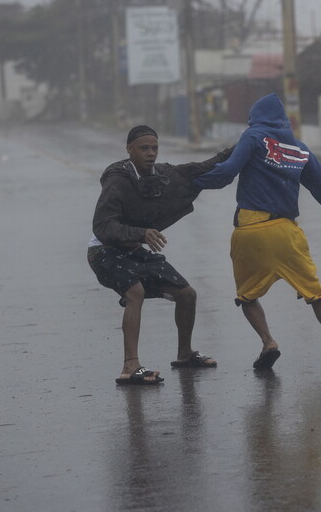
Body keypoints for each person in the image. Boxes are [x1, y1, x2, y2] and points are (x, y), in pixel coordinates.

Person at [194, 93, 321, 370]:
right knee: (316, 294)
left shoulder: (252, 137)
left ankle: (268, 341)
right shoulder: (299, 149)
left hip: (249, 230)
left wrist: (193, 181)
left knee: (247, 296)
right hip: (285, 232)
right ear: (284, 120)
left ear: (254, 118)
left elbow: (227, 173)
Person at [88, 125, 234, 385]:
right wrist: (141, 233)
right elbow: (102, 225)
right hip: (104, 251)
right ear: (129, 150)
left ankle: (184, 354)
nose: (150, 153)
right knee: (135, 292)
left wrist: (247, 144)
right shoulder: (117, 178)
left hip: (134, 249)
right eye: (144, 148)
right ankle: (130, 366)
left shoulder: (163, 173)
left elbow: (203, 167)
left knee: (187, 295)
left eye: (154, 148)